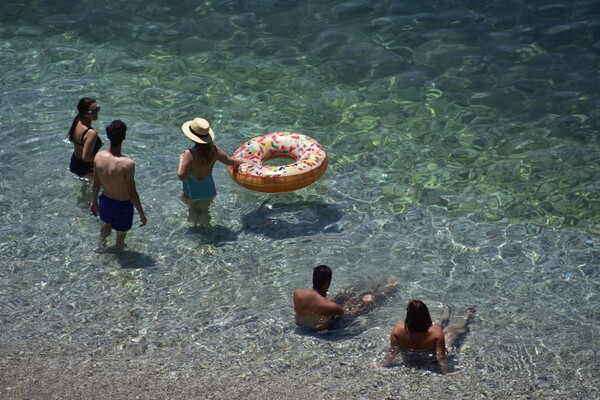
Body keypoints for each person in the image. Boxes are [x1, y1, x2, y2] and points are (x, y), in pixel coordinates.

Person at [371, 299, 475, 375]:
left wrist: (381, 363)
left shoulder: (398, 328)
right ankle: (466, 315)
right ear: (426, 314)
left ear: (408, 314)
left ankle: (447, 311)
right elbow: (440, 356)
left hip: (410, 358)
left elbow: (393, 352)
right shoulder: (436, 332)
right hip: (429, 356)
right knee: (451, 329)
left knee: (439, 325)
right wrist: (447, 371)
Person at [89, 120, 147, 250]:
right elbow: (132, 193)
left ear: (109, 136)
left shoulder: (98, 157)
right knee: (120, 235)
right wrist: (142, 213)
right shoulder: (127, 164)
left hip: (105, 202)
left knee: (106, 224)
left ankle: (101, 243)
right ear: (124, 137)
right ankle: (119, 254)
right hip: (122, 206)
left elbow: (96, 184)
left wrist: (93, 202)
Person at [177, 117, 244, 226]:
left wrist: (181, 159)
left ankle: (196, 234)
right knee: (205, 212)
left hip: (191, 194)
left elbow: (181, 176)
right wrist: (248, 162)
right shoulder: (214, 150)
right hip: (208, 192)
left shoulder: (189, 154)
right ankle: (208, 230)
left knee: (192, 212)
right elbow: (231, 161)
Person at [293, 265, 398, 331]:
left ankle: (378, 285)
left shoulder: (297, 294)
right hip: (327, 329)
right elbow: (353, 314)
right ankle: (393, 285)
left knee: (345, 295)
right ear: (327, 283)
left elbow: (316, 304)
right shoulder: (333, 307)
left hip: (304, 325)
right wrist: (366, 304)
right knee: (369, 298)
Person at [67, 97, 103, 180]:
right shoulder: (91, 133)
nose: (97, 112)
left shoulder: (77, 120)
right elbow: (86, 158)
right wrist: (103, 158)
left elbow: (80, 142)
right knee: (109, 187)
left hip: (75, 162)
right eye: (93, 111)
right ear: (84, 113)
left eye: (97, 109)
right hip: (86, 168)